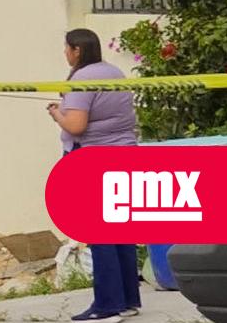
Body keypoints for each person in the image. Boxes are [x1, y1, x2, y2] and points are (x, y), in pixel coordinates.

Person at [47, 28, 140, 321]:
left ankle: (108, 305)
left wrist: (56, 113)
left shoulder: (82, 78)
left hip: (91, 157)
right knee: (121, 231)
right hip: (124, 152)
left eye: (66, 48)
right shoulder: (114, 71)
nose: (65, 53)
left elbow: (75, 125)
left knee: (98, 233)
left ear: (76, 50)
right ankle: (127, 301)